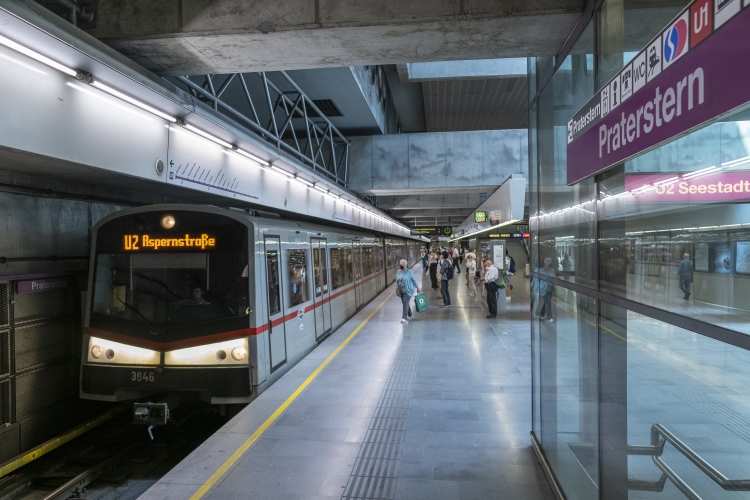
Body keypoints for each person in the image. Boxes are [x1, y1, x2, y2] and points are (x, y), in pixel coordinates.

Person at [532, 257, 556, 322]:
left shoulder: (552, 270)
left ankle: (541, 314)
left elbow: (554, 278)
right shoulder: (540, 270)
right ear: (544, 262)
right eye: (547, 261)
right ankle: (549, 317)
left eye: (550, 261)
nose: (549, 262)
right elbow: (536, 280)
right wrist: (537, 289)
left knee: (546, 303)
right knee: (548, 302)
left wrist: (554, 286)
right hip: (543, 288)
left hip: (550, 288)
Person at [396, 259, 420, 323]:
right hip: (401, 290)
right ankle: (410, 314)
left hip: (408, 290)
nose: (400, 266)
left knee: (405, 302)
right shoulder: (398, 271)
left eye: (402, 265)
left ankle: (404, 317)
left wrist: (417, 287)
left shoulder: (409, 272)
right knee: (405, 303)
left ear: (405, 265)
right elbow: (397, 280)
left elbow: (414, 280)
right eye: (400, 264)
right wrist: (397, 286)